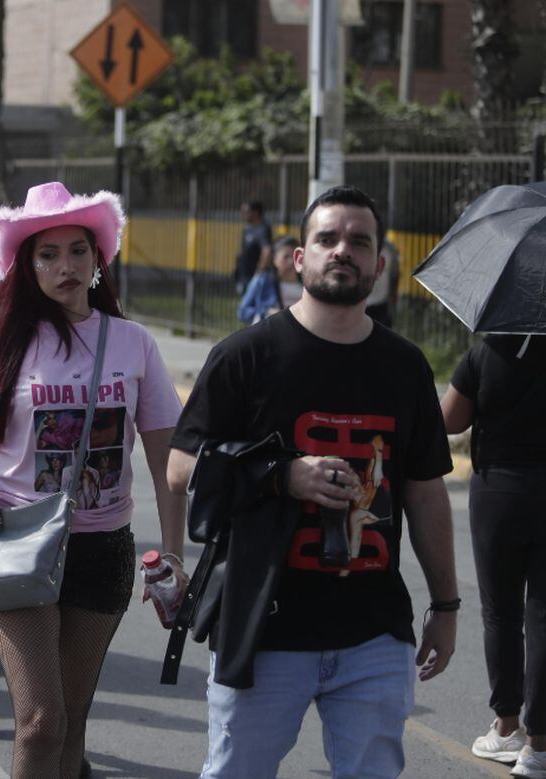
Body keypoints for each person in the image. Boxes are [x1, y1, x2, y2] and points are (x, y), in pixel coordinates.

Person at [0, 182, 187, 777]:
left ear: (98, 258)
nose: (65, 266)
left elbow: (167, 461)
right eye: (47, 254)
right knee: (40, 721)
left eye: (79, 250)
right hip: (18, 540)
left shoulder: (132, 343)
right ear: (26, 266)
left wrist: (175, 557)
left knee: (73, 720)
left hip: (105, 548)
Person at [166, 185, 459, 779]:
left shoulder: (405, 366)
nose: (342, 251)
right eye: (327, 239)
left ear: (379, 264)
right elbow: (178, 468)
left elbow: (425, 492)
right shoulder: (246, 356)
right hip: (264, 626)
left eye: (359, 241)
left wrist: (446, 605)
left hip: (374, 631)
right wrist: (281, 475)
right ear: (299, 258)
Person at [441, 334, 546, 777]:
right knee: (542, 614)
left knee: (501, 613)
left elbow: (450, 419)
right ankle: (539, 748)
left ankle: (506, 727)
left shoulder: (491, 347)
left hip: (499, 490)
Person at [234, 200, 272, 295]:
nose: (243, 214)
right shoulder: (247, 228)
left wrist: (260, 271)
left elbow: (266, 249)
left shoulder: (263, 229)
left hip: (254, 274)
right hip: (244, 273)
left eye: (246, 212)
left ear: (255, 213)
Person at [364, 238, 402, 328]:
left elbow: (395, 273)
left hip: (382, 301)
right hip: (361, 301)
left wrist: (393, 293)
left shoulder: (389, 248)